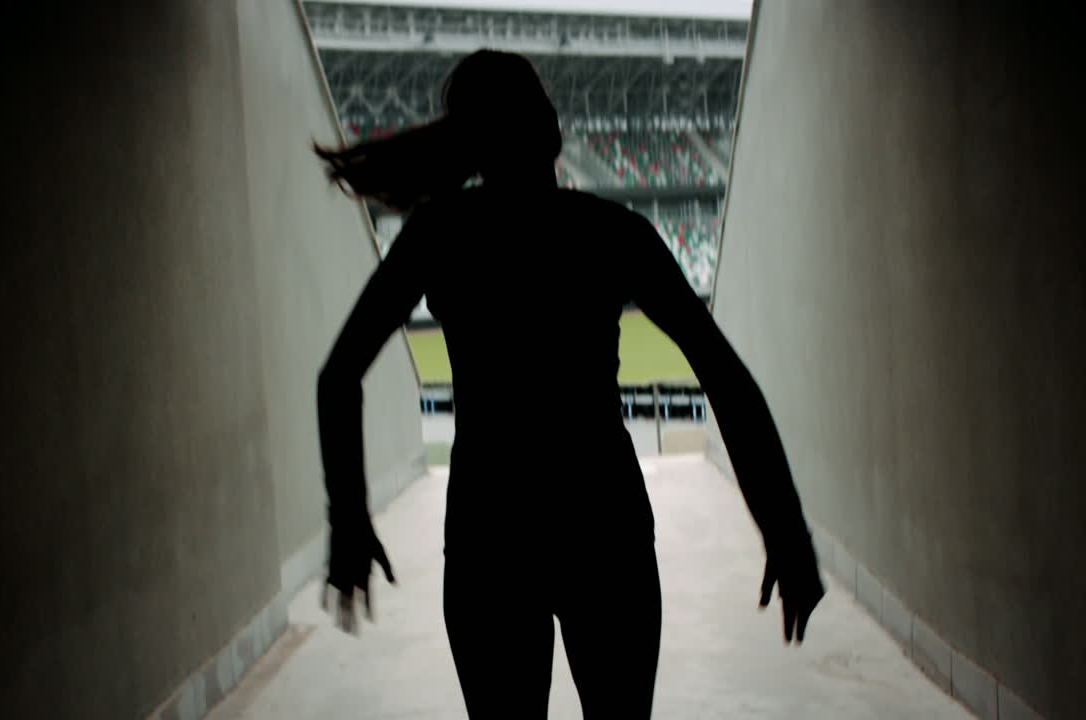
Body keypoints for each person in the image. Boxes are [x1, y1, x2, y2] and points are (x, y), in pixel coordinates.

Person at [313, 49, 824, 720]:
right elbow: (724, 377)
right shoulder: (614, 234)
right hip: (604, 527)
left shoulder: (439, 235)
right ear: (551, 128)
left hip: (489, 535)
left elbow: (338, 375)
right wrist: (785, 528)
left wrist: (348, 519)